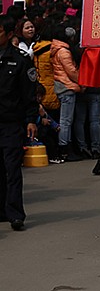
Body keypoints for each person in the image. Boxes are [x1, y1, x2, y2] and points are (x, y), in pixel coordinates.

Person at [0, 14, 38, 231]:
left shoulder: (21, 60)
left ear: (8, 34)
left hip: (11, 122)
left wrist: (31, 120)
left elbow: (29, 93)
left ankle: (15, 213)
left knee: (12, 168)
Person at [50, 24, 83, 162]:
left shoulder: (55, 49)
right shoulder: (63, 51)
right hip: (67, 87)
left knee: (65, 120)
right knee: (66, 121)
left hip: (61, 85)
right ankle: (64, 148)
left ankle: (65, 147)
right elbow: (71, 71)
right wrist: (82, 82)